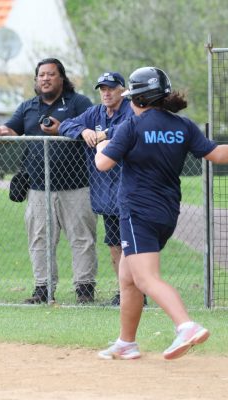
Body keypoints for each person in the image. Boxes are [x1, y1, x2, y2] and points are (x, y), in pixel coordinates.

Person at [95, 67, 228, 360]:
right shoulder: (183, 126)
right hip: (166, 213)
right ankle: (127, 343)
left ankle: (185, 326)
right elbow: (216, 154)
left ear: (137, 99)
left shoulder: (132, 127)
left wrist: (102, 145)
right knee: (128, 277)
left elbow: (103, 165)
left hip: (137, 212)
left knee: (146, 278)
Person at [0, 58, 98, 304]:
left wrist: (62, 130)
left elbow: (94, 133)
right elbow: (12, 130)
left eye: (51, 74)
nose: (45, 79)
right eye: (41, 75)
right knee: (39, 239)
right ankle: (42, 289)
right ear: (36, 80)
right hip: (38, 187)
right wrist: (0, 130)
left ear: (62, 78)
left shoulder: (79, 103)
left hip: (76, 185)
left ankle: (85, 289)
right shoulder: (29, 107)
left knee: (82, 238)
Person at [59, 71, 134, 306]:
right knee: (114, 244)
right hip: (106, 193)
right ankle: (125, 291)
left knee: (132, 245)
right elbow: (66, 125)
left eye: (111, 88)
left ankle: (137, 292)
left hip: (131, 189)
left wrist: (106, 133)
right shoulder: (96, 112)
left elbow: (134, 127)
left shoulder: (132, 109)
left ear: (122, 89)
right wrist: (83, 131)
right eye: (102, 89)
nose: (106, 93)